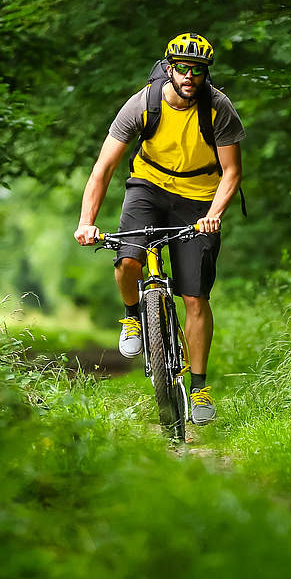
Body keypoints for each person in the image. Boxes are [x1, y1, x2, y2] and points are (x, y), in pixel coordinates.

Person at [74, 33, 244, 425]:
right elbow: (103, 169)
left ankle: (199, 388)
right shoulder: (142, 104)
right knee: (127, 261)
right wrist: (86, 221)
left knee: (195, 297)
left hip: (199, 198)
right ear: (169, 69)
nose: (188, 76)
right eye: (181, 68)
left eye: (197, 71)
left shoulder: (218, 109)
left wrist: (214, 213)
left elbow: (232, 172)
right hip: (148, 189)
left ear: (205, 75)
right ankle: (133, 314)